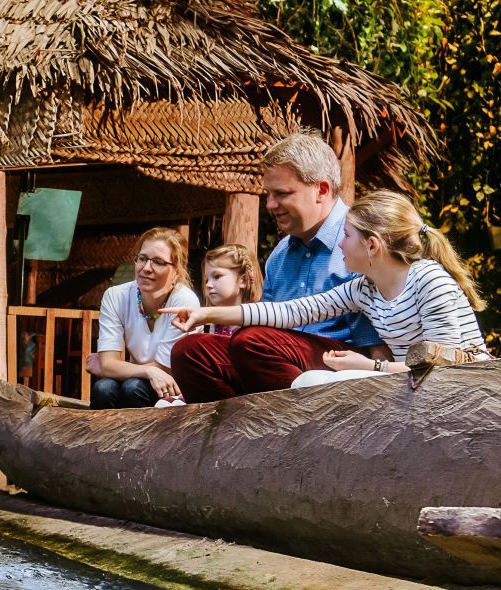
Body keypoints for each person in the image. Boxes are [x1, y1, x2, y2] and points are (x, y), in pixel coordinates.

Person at [163, 191, 489, 383]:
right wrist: (206, 313)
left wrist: (372, 366)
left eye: (347, 236)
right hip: (408, 382)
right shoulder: (364, 289)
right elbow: (293, 311)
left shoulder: (429, 281)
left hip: (462, 389)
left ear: (372, 246)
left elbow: (447, 370)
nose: (341, 245)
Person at [169, 132, 387, 402]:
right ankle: (237, 428)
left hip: (342, 366)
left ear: (321, 190)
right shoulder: (280, 255)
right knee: (190, 350)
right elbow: (270, 324)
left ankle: (285, 422)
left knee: (252, 343)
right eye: (269, 194)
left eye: (281, 194)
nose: (270, 205)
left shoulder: (359, 242)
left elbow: (379, 347)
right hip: (274, 362)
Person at [85, 227, 199, 409]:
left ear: (177, 271)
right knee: (103, 388)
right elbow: (107, 364)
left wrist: (115, 367)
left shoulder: (185, 302)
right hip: (140, 378)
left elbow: (165, 369)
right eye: (142, 259)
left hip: (173, 390)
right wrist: (147, 369)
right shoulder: (116, 296)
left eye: (158, 262)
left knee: (133, 388)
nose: (146, 268)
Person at [154, 243, 263, 407]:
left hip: (243, 390)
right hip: (213, 386)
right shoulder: (211, 322)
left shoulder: (255, 319)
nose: (208, 285)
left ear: (244, 280)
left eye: (217, 277)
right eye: (206, 279)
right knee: (164, 405)